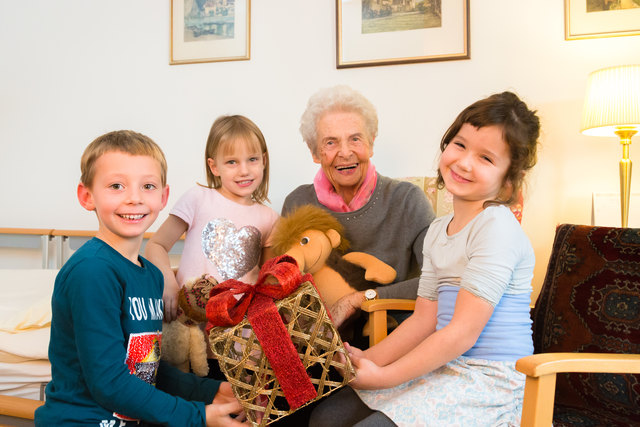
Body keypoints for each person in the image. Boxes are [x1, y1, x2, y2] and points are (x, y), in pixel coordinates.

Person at [309, 91, 541, 426]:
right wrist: (367, 361)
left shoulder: (496, 227)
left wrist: (382, 377)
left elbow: (461, 334)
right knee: (327, 417)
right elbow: (424, 320)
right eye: (459, 145)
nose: (463, 162)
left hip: (492, 380)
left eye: (486, 158)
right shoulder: (438, 230)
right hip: (446, 366)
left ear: (508, 178)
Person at [35, 130, 246, 426]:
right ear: (87, 196)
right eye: (116, 186)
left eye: (147, 186)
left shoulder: (150, 276)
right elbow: (110, 382)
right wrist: (198, 416)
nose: (134, 199)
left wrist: (211, 391)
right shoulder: (92, 272)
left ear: (163, 197)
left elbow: (146, 367)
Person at [282, 85, 436, 330]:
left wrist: (360, 299)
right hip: (319, 347)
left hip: (391, 340)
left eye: (355, 139)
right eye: (330, 143)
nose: (345, 152)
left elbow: (438, 278)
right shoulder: (298, 203)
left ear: (371, 143)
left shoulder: (407, 200)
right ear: (314, 152)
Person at [145, 115, 279, 324]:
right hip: (187, 325)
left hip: (237, 336)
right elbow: (156, 245)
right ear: (214, 166)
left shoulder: (270, 218)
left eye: (252, 159)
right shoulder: (197, 198)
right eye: (232, 162)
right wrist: (167, 282)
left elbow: (266, 282)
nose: (244, 170)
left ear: (264, 161)